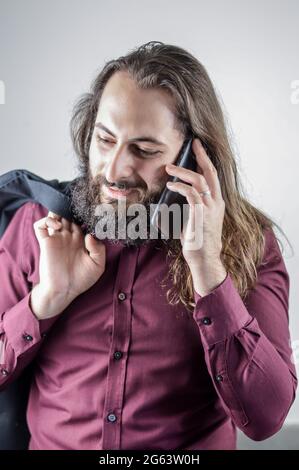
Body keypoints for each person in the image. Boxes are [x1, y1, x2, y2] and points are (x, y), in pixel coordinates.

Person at [0, 41, 297, 450]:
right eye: (105, 140)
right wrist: (46, 300)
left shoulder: (248, 241)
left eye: (144, 150)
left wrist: (209, 271)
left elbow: (267, 418)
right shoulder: (39, 224)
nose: (116, 169)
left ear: (194, 157)